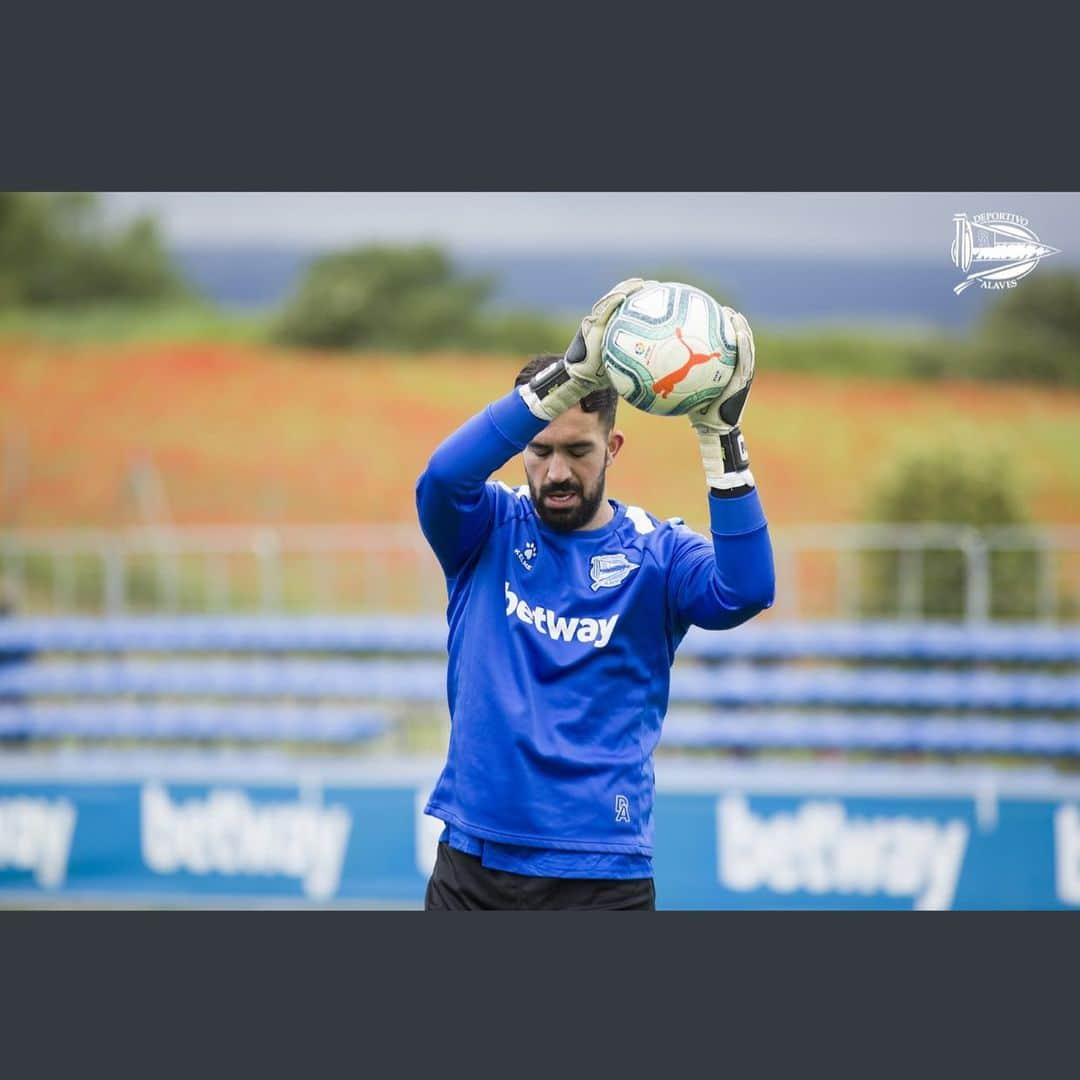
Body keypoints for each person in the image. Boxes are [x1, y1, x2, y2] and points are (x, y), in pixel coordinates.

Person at [415, 278, 775, 910]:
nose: (556, 472)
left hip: (602, 877)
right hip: (472, 867)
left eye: (578, 451)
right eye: (540, 451)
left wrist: (721, 439)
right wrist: (566, 380)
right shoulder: (483, 530)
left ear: (612, 447)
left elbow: (746, 590)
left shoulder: (658, 555)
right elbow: (443, 476)